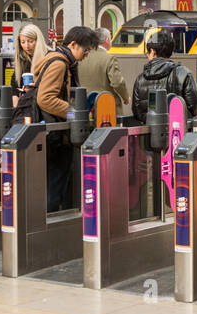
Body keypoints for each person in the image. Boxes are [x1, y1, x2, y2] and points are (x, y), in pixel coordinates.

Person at [34, 26, 98, 212]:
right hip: (54, 134)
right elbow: (45, 98)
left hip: (52, 132)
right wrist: (74, 113)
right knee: (55, 184)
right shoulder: (59, 63)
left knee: (56, 182)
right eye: (85, 50)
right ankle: (51, 224)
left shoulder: (59, 60)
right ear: (73, 44)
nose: (86, 55)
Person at [133, 30, 197, 122]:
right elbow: (196, 107)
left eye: (148, 53)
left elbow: (137, 112)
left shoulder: (140, 79)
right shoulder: (183, 73)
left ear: (152, 51)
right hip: (179, 131)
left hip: (151, 133)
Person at [78, 27, 130, 108]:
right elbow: (117, 83)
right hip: (106, 106)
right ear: (107, 40)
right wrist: (126, 98)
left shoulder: (81, 57)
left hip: (85, 105)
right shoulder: (109, 58)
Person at [11, 23, 49, 95]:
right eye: (23, 42)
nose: (27, 46)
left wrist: (37, 87)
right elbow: (14, 86)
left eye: (31, 41)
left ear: (38, 41)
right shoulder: (22, 59)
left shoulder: (49, 57)